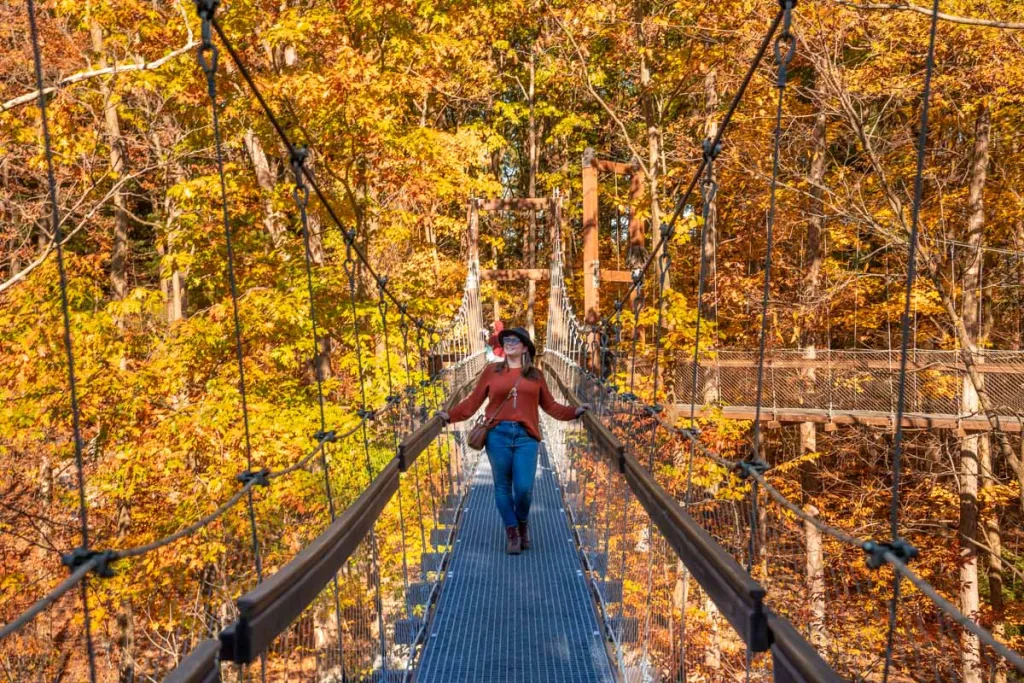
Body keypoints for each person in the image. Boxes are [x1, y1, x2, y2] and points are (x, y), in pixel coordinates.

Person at [437, 327, 589, 554]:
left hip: (526, 436)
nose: (509, 343)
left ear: (525, 347)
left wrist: (575, 411)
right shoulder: (491, 371)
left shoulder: (536, 375)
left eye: (515, 340)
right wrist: (449, 416)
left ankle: (522, 522)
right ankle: (513, 533)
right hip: (497, 435)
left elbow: (551, 406)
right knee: (502, 487)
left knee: (524, 487)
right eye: (506, 340)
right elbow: (473, 401)